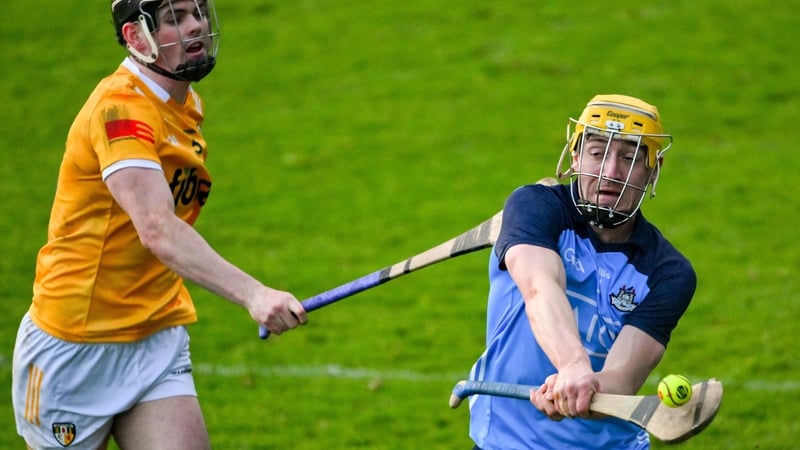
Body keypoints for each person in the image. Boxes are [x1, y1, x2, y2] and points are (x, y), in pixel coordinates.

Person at [11, 1, 307, 448]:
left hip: (156, 332)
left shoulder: (181, 103)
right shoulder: (120, 111)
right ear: (135, 37)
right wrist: (254, 293)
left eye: (197, 12)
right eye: (174, 19)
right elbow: (156, 227)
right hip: (74, 346)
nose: (196, 27)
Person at [467, 94, 696, 449]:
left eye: (629, 157)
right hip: (504, 442)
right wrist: (573, 363)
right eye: (597, 152)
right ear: (575, 157)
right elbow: (540, 286)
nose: (611, 171)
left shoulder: (669, 273)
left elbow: (621, 380)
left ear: (653, 171)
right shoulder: (534, 208)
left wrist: (583, 390)